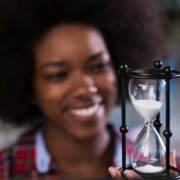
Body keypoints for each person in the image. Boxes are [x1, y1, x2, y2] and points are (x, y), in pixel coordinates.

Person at [0, 0, 175, 179]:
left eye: (98, 66)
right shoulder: (4, 170)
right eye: (58, 75)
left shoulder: (162, 169)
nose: (84, 89)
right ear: (29, 88)